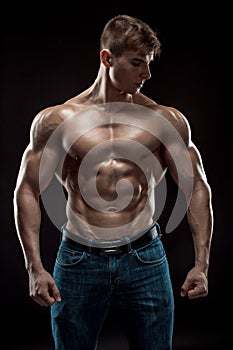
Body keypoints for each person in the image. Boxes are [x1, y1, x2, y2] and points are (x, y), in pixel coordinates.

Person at [13, 14, 213, 350]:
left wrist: (202, 264)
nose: (146, 74)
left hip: (145, 258)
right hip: (78, 261)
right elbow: (28, 190)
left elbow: (196, 188)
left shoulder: (165, 120)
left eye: (148, 64)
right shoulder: (58, 120)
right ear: (107, 58)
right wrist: (34, 267)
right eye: (137, 63)